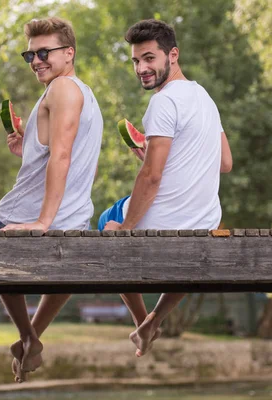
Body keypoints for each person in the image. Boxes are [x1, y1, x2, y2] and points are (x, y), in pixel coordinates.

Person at [100, 19, 233, 357]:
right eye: (135, 61)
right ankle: (152, 323)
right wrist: (153, 156)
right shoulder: (204, 98)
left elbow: (152, 177)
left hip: (161, 224)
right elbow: (224, 162)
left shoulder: (163, 102)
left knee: (106, 220)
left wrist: (125, 229)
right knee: (191, 259)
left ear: (172, 55)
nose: (141, 68)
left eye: (149, 58)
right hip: (204, 223)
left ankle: (142, 320)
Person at [0, 17, 103, 382]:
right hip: (76, 217)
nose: (36, 60)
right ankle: (31, 338)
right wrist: (27, 148)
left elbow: (62, 156)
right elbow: (56, 151)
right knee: (64, 274)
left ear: (69, 53)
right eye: (30, 54)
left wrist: (43, 221)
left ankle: (27, 335)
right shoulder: (77, 91)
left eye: (44, 52)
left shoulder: (62, 89)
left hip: (30, 215)